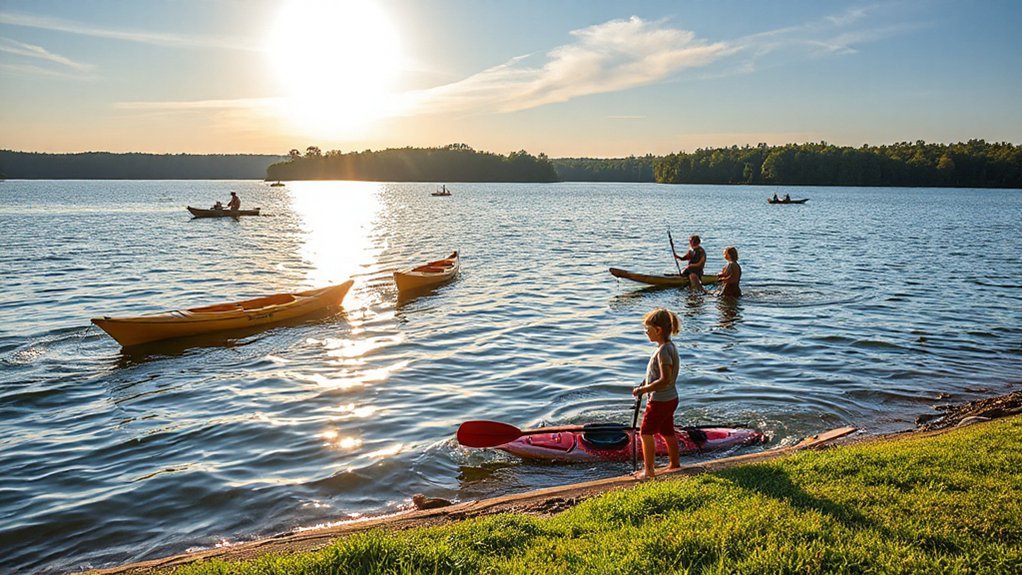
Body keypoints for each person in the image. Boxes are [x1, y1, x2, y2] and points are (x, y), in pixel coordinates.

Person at [631, 308, 682, 480]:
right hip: (671, 398)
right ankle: (674, 464)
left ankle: (649, 471)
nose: (646, 332)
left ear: (658, 330)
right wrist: (644, 383)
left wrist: (643, 390)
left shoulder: (663, 351)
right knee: (667, 431)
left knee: (645, 433)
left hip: (660, 400)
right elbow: (656, 375)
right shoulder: (669, 347)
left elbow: (665, 379)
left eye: (648, 329)